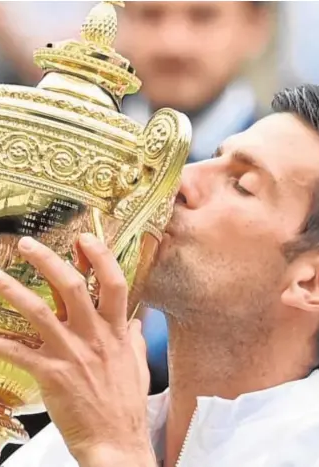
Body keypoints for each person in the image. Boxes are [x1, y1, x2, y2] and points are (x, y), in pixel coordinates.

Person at [0, 85, 319, 466]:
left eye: (242, 185)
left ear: (317, 282)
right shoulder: (61, 446)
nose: (182, 181)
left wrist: (115, 454)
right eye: (211, 158)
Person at [117, 0, 272, 394]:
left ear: (256, 26)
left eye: (203, 16)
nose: (173, 44)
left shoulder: (305, 184)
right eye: (150, 15)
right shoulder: (66, 153)